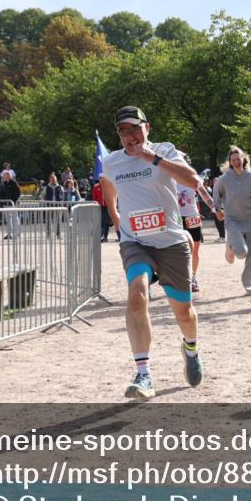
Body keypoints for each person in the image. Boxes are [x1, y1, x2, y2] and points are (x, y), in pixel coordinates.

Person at [99, 105, 203, 400]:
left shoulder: (166, 151)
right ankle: (143, 373)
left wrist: (152, 158)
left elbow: (193, 181)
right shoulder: (112, 162)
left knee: (184, 312)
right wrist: (116, 216)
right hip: (136, 243)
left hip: (171, 242)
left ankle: (191, 348)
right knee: (137, 294)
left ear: (148, 127)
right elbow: (109, 186)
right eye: (123, 131)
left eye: (135, 128)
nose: (130, 136)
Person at [214, 145, 251, 295]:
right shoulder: (224, 179)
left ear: (243, 159)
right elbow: (217, 195)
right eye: (233, 159)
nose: (236, 161)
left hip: (249, 218)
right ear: (230, 162)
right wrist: (217, 209)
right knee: (241, 252)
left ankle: (249, 285)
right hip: (232, 219)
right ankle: (231, 245)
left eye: (238, 158)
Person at [177, 162, 214, 292]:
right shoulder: (168, 178)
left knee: (194, 250)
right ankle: (181, 278)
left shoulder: (193, 177)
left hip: (192, 217)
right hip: (176, 219)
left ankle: (192, 277)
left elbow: (204, 194)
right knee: (178, 250)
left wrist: (215, 208)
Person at [0, 169, 21, 240]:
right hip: (6, 204)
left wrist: (14, 202)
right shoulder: (3, 184)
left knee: (15, 219)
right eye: (4, 175)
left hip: (13, 204)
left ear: (10, 176)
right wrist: (1, 203)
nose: (5, 176)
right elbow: (1, 194)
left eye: (7, 175)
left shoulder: (14, 183)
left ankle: (16, 233)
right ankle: (9, 234)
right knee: (8, 220)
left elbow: (18, 193)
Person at [92, 176, 113, 242]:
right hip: (99, 206)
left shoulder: (109, 185)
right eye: (101, 179)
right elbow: (94, 197)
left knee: (106, 222)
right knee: (100, 221)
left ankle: (105, 236)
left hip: (108, 206)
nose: (102, 180)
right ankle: (100, 235)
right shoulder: (96, 186)